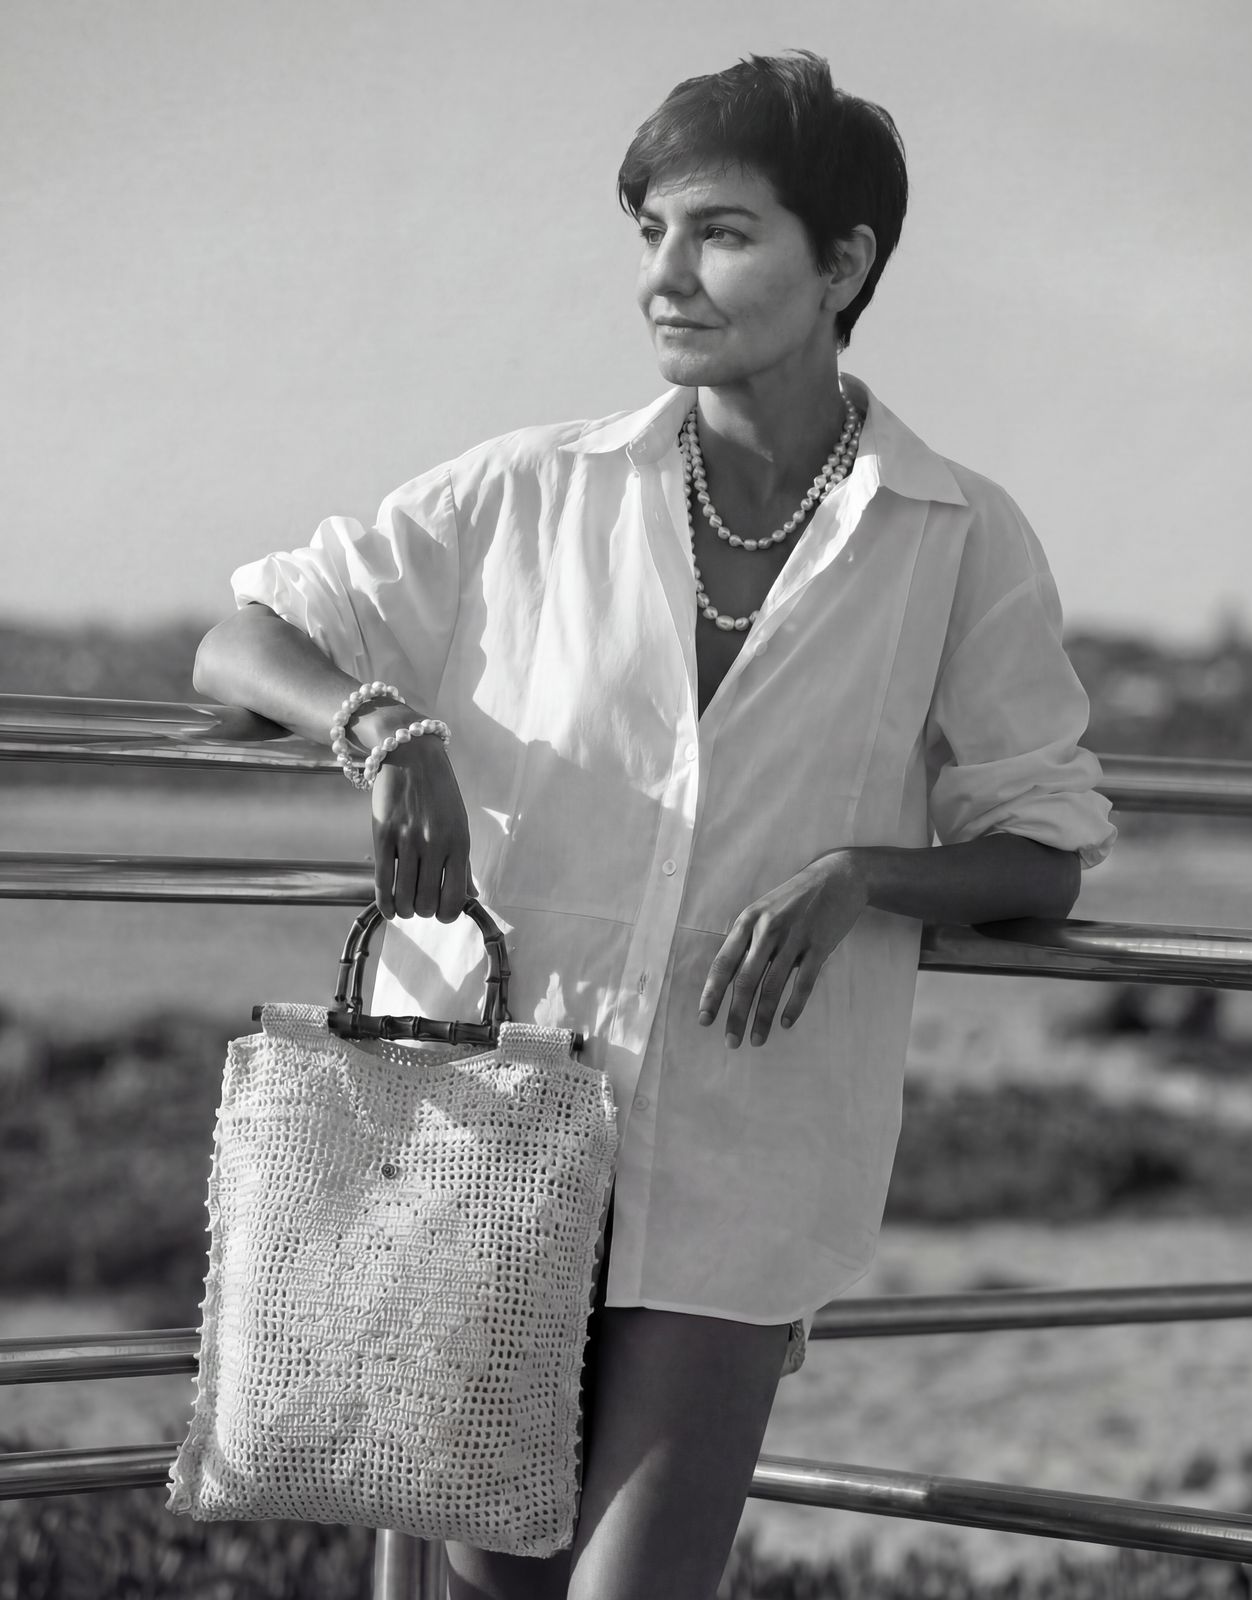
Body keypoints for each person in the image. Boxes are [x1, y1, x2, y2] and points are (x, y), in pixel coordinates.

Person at [193, 49, 1116, 1600]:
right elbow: (244, 639)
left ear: (844, 264)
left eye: (719, 232)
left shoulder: (953, 534)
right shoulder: (526, 491)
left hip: (745, 1163)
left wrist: (862, 877)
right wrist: (379, 723)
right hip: (487, 1129)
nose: (666, 277)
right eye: (649, 234)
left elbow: (1046, 841)